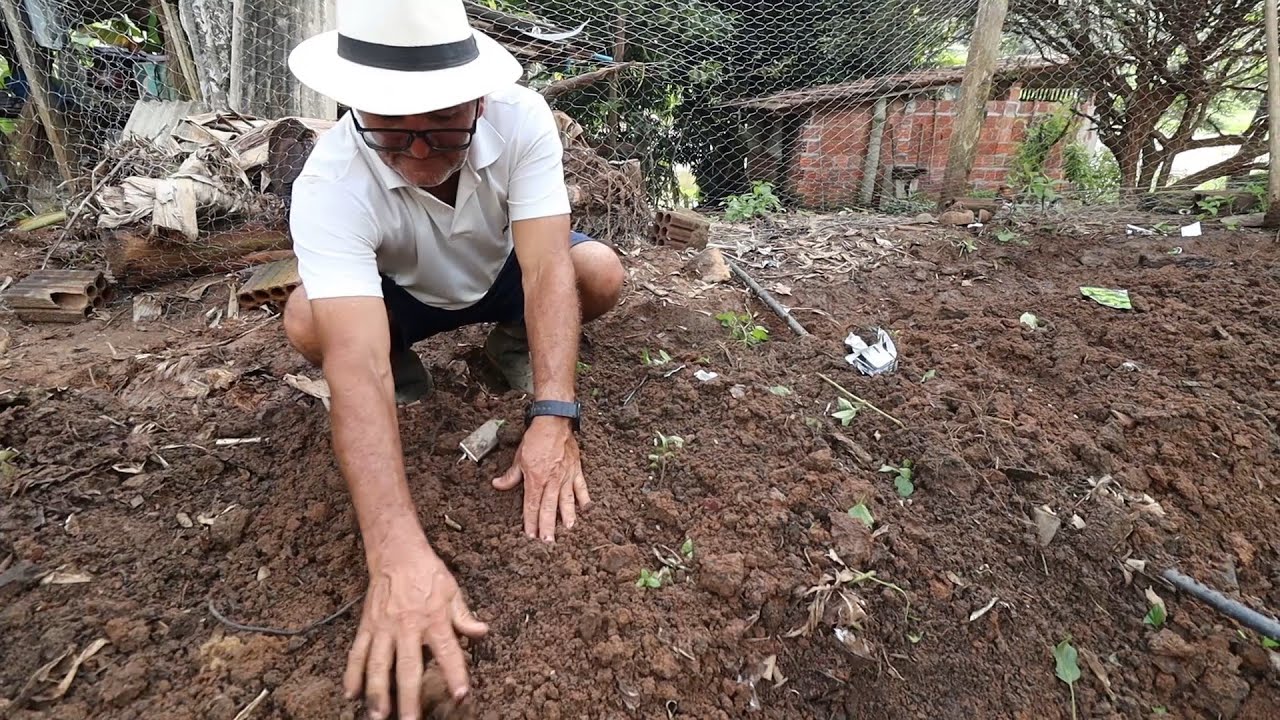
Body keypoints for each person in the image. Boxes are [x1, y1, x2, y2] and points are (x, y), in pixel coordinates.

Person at [282, 1, 625, 717]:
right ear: (353, 107)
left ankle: (511, 347)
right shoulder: (328, 181)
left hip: (503, 276)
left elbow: (545, 271)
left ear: (477, 95)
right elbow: (351, 363)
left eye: (441, 126)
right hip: (399, 296)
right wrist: (397, 553)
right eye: (388, 130)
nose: (416, 153)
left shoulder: (521, 117)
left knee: (599, 273)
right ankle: (410, 371)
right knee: (309, 320)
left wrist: (555, 415)